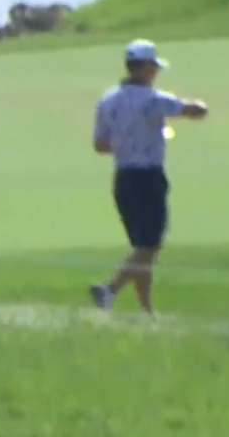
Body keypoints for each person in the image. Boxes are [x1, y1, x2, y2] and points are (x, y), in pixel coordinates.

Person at [89, 39, 208, 314]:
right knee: (149, 246)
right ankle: (110, 289)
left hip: (123, 179)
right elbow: (196, 111)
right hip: (148, 178)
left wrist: (127, 141)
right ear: (142, 68)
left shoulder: (108, 100)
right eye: (153, 66)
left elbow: (100, 145)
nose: (155, 72)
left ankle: (146, 310)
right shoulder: (154, 99)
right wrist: (199, 105)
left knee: (143, 250)